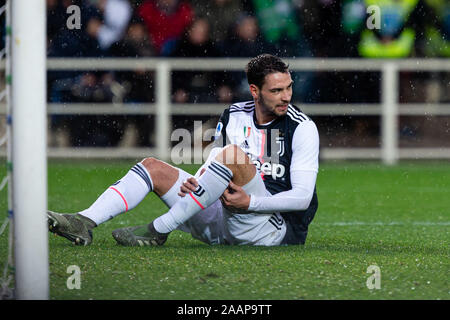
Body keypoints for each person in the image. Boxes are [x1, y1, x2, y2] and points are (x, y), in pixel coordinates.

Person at [47, 54, 320, 247]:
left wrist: (249, 203)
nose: (286, 96)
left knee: (235, 156)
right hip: (222, 216)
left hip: (268, 227)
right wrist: (199, 180)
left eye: (289, 88)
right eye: (277, 90)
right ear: (254, 91)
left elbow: (302, 199)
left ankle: (159, 229)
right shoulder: (234, 114)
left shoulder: (302, 128)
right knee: (152, 167)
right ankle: (84, 222)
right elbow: (216, 157)